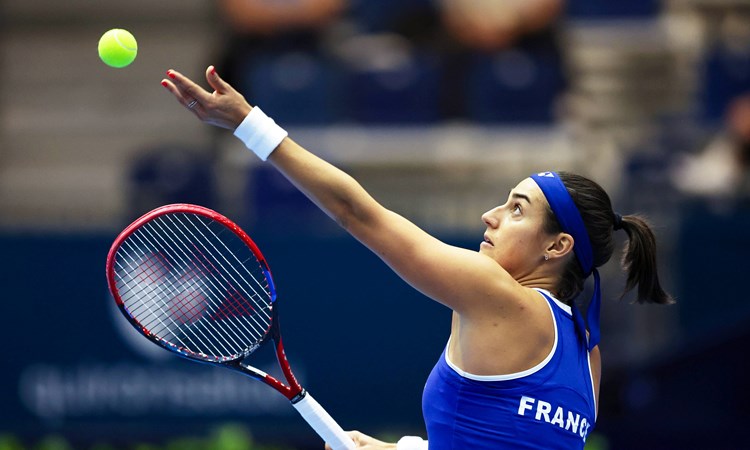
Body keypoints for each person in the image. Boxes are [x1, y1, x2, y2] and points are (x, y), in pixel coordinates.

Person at [160, 66, 674, 449]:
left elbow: (355, 212)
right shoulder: (589, 357)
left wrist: (249, 123)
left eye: (517, 210)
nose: (489, 216)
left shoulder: (497, 294)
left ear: (557, 246)